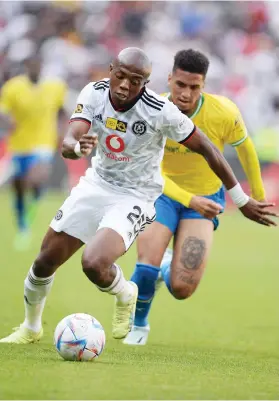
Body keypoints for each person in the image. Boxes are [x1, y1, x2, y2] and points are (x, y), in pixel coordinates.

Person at [0, 47, 275, 345]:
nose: (124, 86)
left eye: (134, 80)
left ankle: (126, 294)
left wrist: (243, 198)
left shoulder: (160, 110)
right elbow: (71, 138)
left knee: (94, 263)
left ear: (145, 83)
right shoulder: (93, 93)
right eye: (119, 76)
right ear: (110, 70)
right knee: (44, 261)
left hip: (136, 195)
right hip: (97, 184)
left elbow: (208, 148)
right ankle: (31, 327)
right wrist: (76, 147)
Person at [124, 49, 276, 346]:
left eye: (194, 87)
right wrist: (186, 198)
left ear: (203, 85)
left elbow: (245, 150)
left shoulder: (224, 112)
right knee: (146, 264)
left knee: (182, 288)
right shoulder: (151, 112)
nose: (185, 93)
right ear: (170, 79)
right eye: (180, 85)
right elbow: (148, 172)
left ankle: (166, 268)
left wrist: (256, 195)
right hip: (160, 194)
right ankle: (138, 324)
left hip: (205, 198)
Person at [0, 55, 67, 250]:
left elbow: (61, 110)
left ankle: (33, 203)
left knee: (37, 177)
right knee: (19, 187)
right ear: (26, 66)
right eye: (32, 64)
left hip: (44, 143)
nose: (35, 68)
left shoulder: (54, 87)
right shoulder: (13, 87)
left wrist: (64, 131)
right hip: (19, 145)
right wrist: (7, 121)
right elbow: (3, 110)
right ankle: (23, 224)